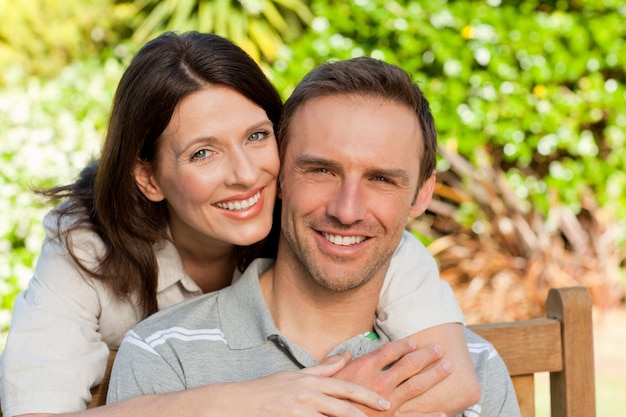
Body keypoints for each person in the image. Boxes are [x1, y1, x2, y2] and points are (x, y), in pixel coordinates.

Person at [0, 32, 479, 417]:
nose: (247, 176)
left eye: (256, 136)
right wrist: (245, 399)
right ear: (148, 177)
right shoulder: (85, 248)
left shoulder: (329, 226)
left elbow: (458, 379)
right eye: (203, 153)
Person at [106, 57, 519, 416]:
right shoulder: (165, 355)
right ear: (279, 173)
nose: (347, 210)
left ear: (421, 194)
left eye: (381, 179)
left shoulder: (472, 365)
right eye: (322, 170)